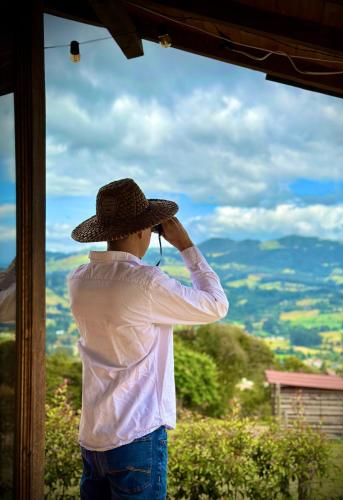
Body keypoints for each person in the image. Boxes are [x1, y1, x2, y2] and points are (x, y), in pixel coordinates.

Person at [68, 178, 229, 499]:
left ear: (104, 232)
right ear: (144, 230)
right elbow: (216, 305)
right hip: (136, 434)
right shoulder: (144, 282)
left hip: (93, 437)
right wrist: (186, 247)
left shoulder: (78, 279)